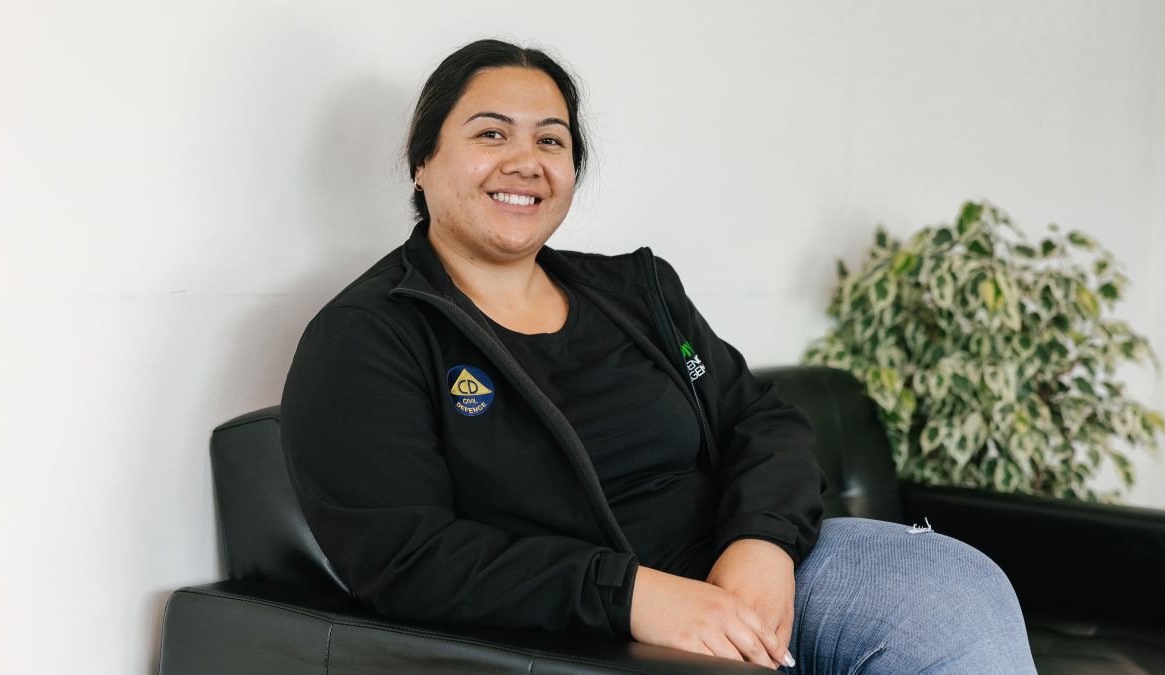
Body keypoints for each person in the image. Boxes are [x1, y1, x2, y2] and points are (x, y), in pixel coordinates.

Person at [280, 39, 1037, 673]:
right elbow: (411, 556)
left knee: (954, 588)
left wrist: (760, 543)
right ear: (422, 161)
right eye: (490, 133)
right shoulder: (368, 336)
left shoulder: (638, 292)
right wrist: (636, 594)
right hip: (600, 630)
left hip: (755, 578)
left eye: (551, 139)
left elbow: (762, 421)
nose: (526, 159)